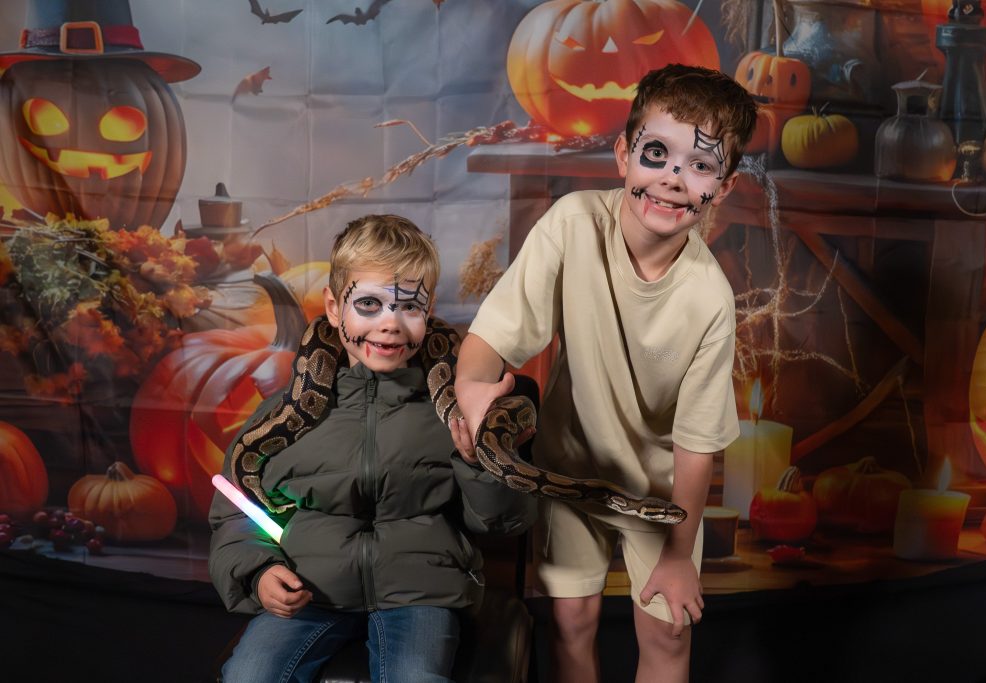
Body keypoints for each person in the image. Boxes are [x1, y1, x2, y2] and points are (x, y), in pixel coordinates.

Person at [450, 64, 757, 683]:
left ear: (723, 187)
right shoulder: (572, 224)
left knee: (668, 629)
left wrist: (679, 554)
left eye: (700, 165)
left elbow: (697, 446)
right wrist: (471, 390)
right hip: (569, 467)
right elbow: (492, 336)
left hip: (663, 496)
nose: (673, 179)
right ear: (623, 155)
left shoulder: (709, 300)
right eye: (656, 154)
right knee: (572, 621)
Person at [209, 214, 536, 683]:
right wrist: (258, 572)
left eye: (410, 308)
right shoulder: (280, 417)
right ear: (334, 307)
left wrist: (479, 461)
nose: (390, 325)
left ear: (429, 311)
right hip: (310, 590)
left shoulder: (456, 410)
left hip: (421, 593)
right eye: (369, 304)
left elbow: (505, 522)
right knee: (249, 675)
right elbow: (237, 512)